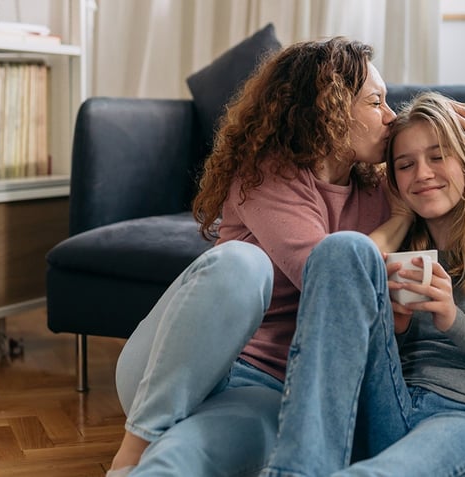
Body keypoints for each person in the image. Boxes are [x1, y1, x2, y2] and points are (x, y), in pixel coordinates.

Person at [107, 37, 419, 477]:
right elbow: (328, 273)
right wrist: (398, 222)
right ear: (329, 108)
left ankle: (153, 458)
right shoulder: (266, 174)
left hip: (265, 386)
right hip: (170, 368)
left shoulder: (381, 186)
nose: (390, 116)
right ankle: (135, 444)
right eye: (376, 102)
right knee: (241, 263)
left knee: (181, 461)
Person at [261, 92, 465, 476]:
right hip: (391, 406)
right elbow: (344, 292)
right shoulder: (403, 250)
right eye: (406, 165)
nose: (422, 174)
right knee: (342, 249)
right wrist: (397, 327)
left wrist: (453, 320)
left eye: (438, 157)